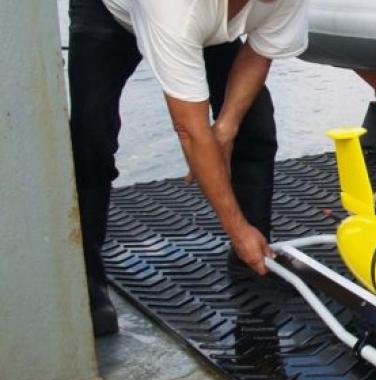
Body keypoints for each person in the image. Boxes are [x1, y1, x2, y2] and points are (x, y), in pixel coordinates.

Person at [68, 0, 308, 336]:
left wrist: (225, 130)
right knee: (92, 135)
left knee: (255, 125)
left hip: (207, 22)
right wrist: (236, 230)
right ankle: (86, 277)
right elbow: (190, 131)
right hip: (109, 12)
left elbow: (259, 50)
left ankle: (252, 263)